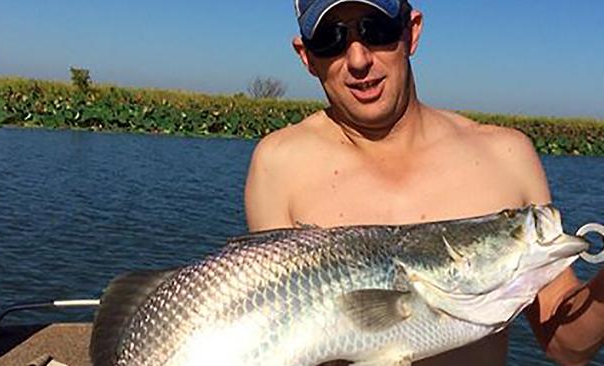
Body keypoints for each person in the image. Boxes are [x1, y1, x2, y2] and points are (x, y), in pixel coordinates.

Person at [243, 0, 604, 365]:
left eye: (375, 30)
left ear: (411, 32)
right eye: (329, 39)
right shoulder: (279, 163)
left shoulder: (506, 154)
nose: (357, 60)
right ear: (306, 57)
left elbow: (566, 345)